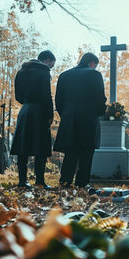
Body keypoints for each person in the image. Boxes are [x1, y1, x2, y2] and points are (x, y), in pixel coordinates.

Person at [53, 52, 106, 188]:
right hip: (89, 119)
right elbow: (100, 98)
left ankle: (65, 181)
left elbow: (58, 100)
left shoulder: (64, 75)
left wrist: (65, 114)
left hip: (69, 119)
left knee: (70, 152)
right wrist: (99, 113)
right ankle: (82, 184)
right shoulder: (95, 75)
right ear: (92, 63)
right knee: (87, 153)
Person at [10, 50, 55, 189]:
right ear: (47, 61)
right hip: (40, 111)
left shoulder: (21, 72)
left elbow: (18, 97)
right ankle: (40, 181)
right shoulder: (44, 72)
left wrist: (28, 103)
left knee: (23, 146)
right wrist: (50, 115)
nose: (51, 68)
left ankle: (22, 181)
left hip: (25, 111)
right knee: (40, 146)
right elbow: (46, 95)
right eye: (51, 65)